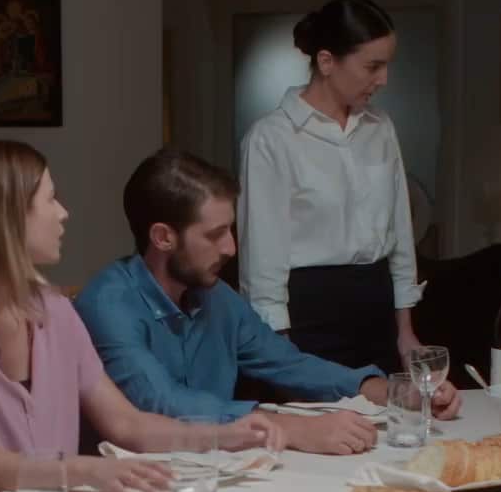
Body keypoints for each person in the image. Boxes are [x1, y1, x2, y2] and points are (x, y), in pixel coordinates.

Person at [0, 139, 282, 492]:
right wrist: (87, 471)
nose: (63, 213)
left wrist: (226, 435)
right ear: (7, 217)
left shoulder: (54, 310)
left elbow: (126, 423)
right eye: (50, 199)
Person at [76, 148, 460, 456]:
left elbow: (288, 364)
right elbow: (161, 402)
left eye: (230, 230)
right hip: (129, 487)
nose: (230, 248)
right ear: (163, 237)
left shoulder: (216, 296)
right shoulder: (108, 304)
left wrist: (393, 393)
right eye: (214, 235)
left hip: (214, 472)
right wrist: (289, 429)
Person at [239, 0, 423, 374]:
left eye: (386, 65)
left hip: (377, 311)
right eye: (373, 66)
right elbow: (262, 261)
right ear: (326, 62)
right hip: (309, 319)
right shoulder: (271, 138)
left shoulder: (381, 127)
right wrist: (281, 353)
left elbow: (401, 233)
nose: (383, 79)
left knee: (391, 411)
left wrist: (405, 331)